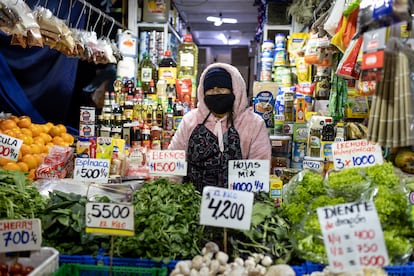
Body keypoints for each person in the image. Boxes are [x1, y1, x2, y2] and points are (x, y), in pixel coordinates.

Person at [168, 62, 271, 192]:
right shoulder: (190, 121)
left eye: (222, 88)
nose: (216, 92)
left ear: (235, 90)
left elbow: (260, 170)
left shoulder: (254, 124)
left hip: (237, 206)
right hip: (192, 204)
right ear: (202, 93)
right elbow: (173, 164)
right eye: (210, 89)